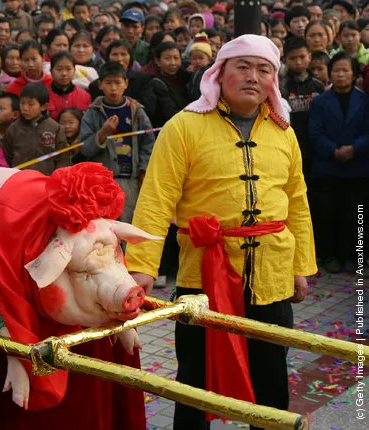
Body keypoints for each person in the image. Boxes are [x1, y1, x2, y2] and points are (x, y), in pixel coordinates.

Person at [126, 35, 317, 430]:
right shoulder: (184, 126)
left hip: (273, 276)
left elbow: (298, 202)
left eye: (263, 69)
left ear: (273, 80)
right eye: (242, 67)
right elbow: (157, 198)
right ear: (219, 73)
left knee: (271, 378)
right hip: (202, 276)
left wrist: (301, 266)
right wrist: (141, 266)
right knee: (195, 379)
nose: (253, 76)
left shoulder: (284, 132)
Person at [308, 52, 369, 274]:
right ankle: (330, 255)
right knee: (328, 213)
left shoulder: (364, 100)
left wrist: (354, 149)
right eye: (336, 70)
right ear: (330, 73)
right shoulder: (320, 101)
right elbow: (315, 133)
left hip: (358, 167)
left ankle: (356, 256)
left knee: (357, 215)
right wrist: (334, 151)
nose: (341, 74)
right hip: (328, 167)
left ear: (353, 74)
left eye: (345, 70)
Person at [79, 61, 154, 223]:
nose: (113, 88)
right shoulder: (93, 112)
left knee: (128, 223)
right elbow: (84, 148)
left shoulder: (136, 111)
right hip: (101, 181)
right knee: (103, 224)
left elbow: (148, 143)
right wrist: (103, 132)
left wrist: (143, 169)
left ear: (126, 84)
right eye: (108, 83)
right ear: (100, 85)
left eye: (117, 82)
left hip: (130, 179)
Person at [280, 37, 325, 180]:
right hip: (292, 143)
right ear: (285, 59)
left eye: (302, 57)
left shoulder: (318, 85)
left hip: (316, 145)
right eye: (293, 58)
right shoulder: (283, 86)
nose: (298, 62)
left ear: (310, 57)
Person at [2, 82, 70, 174]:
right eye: (22, 103)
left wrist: (57, 178)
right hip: (19, 179)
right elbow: (7, 156)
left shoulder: (55, 128)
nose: (25, 108)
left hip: (46, 179)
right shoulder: (13, 129)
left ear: (44, 106)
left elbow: (62, 159)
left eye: (31, 104)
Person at [48, 52, 91, 120]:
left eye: (68, 69)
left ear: (74, 71)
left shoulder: (85, 96)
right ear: (51, 71)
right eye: (59, 69)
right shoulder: (44, 95)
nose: (64, 74)